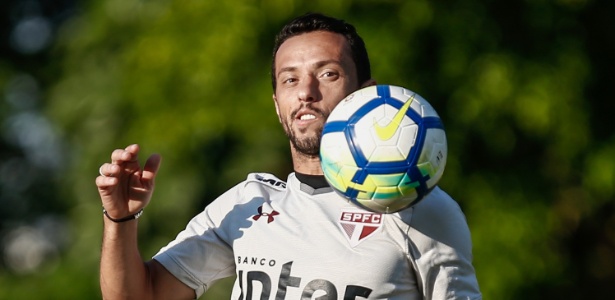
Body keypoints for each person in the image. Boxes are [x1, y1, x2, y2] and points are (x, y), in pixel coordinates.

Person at [96, 12, 482, 300]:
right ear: (277, 102)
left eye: (328, 74)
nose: (306, 92)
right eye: (289, 79)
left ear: (368, 94)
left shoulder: (422, 210)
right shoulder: (247, 204)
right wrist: (121, 219)